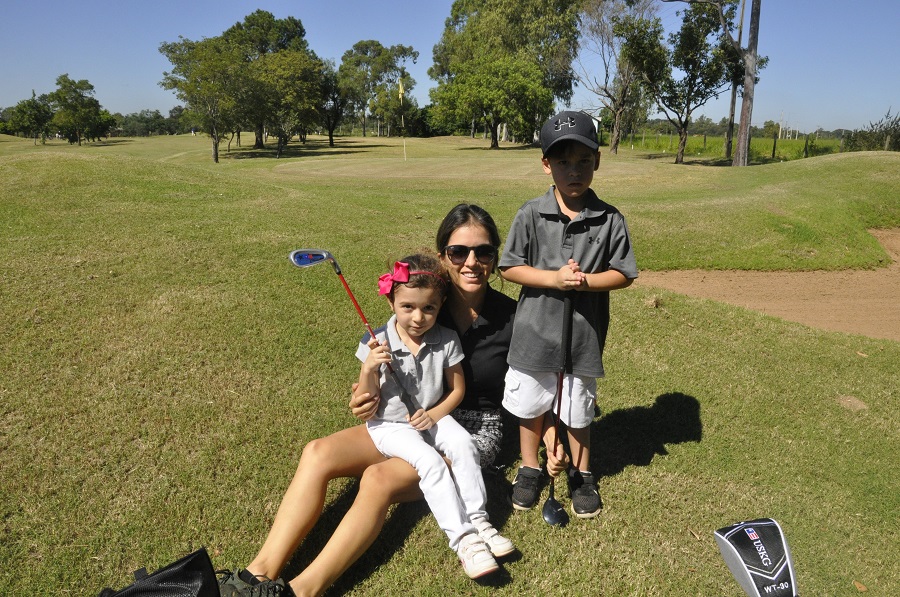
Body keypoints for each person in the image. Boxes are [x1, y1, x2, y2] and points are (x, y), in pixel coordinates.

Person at [218, 204, 567, 597]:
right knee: (317, 452)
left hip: (471, 430)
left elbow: (535, 387)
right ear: (442, 257)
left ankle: (300, 592)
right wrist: (362, 396)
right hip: (405, 419)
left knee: (378, 479)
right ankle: (256, 576)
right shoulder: (421, 302)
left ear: (495, 256)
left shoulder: (513, 317)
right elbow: (377, 377)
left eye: (484, 251)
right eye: (459, 252)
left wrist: (550, 434)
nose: (472, 262)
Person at [500, 110, 639, 519]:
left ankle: (582, 472)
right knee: (530, 405)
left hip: (582, 337)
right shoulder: (530, 213)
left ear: (597, 161)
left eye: (583, 161)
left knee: (578, 410)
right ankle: (530, 466)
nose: (574, 170)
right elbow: (509, 267)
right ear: (547, 164)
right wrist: (554, 279)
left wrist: (584, 282)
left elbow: (624, 273)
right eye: (563, 162)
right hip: (533, 333)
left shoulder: (610, 218)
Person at [355, 253, 509, 579]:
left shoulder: (446, 339)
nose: (418, 317)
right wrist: (369, 367)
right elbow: (365, 397)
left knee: (464, 444)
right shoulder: (376, 341)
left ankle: (478, 520)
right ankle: (465, 541)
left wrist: (435, 413)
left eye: (429, 308)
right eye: (407, 306)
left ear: (440, 306)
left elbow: (457, 390)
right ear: (391, 302)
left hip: (433, 414)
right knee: (431, 462)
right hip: (390, 425)